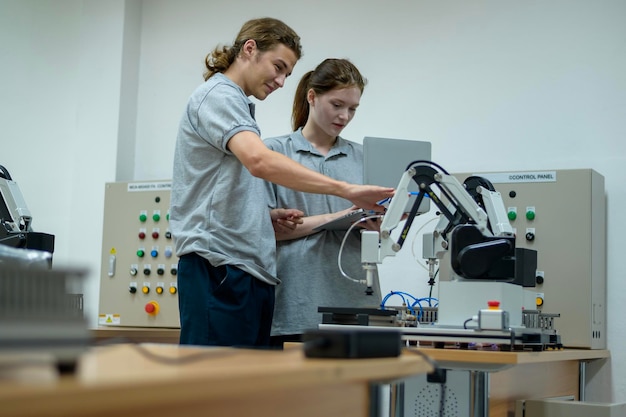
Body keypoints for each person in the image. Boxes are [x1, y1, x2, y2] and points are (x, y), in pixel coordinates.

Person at [169, 18, 394, 348]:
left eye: (287, 73)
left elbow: (228, 186)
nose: (282, 80)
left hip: (247, 271)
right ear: (249, 49)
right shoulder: (219, 97)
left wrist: (262, 217)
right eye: (278, 67)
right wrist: (346, 191)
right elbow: (258, 161)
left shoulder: (239, 105)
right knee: (216, 388)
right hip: (219, 267)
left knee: (250, 392)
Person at [265, 58, 383, 347]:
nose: (345, 116)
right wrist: (341, 216)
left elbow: (379, 236)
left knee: (356, 393)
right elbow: (268, 231)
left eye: (353, 109)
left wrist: (379, 227)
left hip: (357, 302)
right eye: (337, 105)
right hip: (297, 305)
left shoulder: (366, 158)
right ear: (312, 97)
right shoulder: (273, 154)